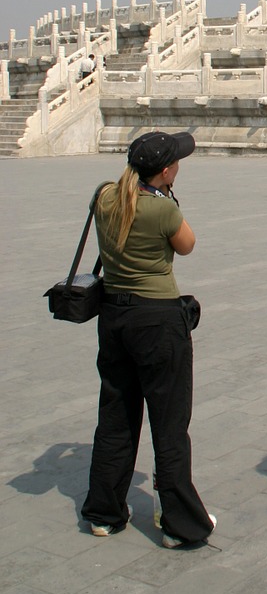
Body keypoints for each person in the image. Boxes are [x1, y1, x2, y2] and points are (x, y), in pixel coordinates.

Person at [80, 130, 215, 549]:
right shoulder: (162, 212)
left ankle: (104, 512)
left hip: (114, 317)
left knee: (116, 415)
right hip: (157, 321)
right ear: (165, 170)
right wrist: (169, 200)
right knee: (169, 423)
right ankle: (178, 521)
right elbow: (188, 245)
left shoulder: (104, 197)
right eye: (176, 162)